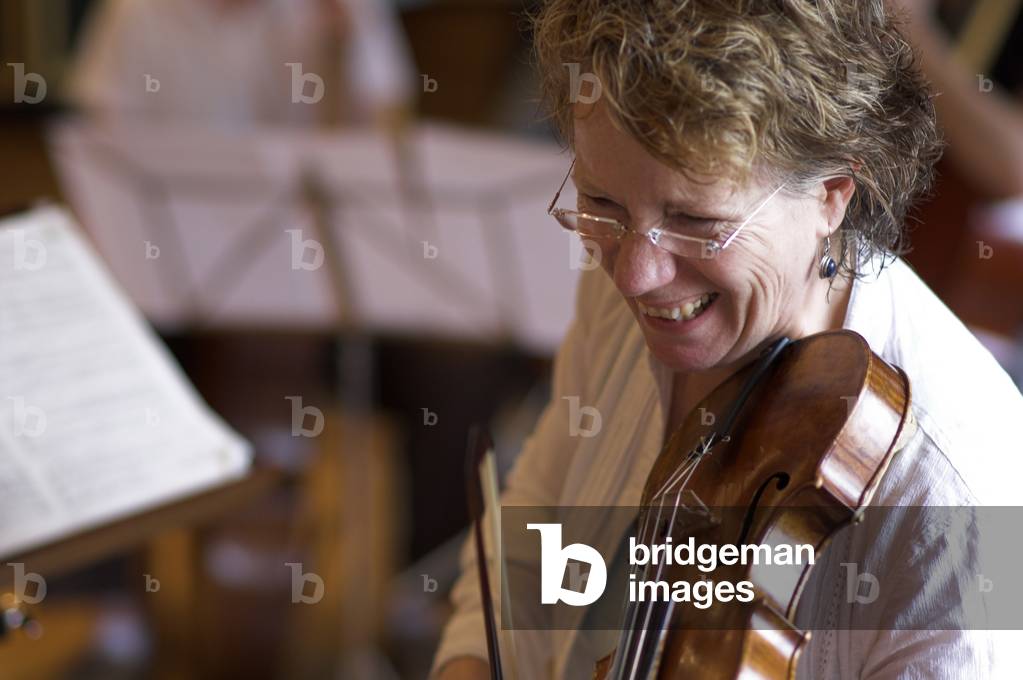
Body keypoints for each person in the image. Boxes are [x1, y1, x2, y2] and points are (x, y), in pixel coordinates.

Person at [432, 1, 1023, 678]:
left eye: (694, 219)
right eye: (601, 205)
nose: (634, 275)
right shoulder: (632, 279)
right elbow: (540, 530)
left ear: (832, 193)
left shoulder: (959, 493)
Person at [67, 0, 415, 129]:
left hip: (305, 250)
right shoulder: (135, 11)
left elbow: (389, 150)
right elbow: (101, 153)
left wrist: (339, 56)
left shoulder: (347, 9)